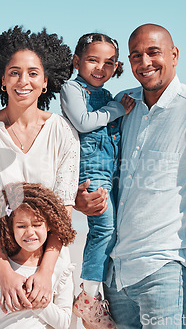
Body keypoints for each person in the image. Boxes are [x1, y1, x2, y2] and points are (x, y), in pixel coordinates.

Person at [75, 24, 186, 328]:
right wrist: (80, 198)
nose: (145, 63)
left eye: (153, 52)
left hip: (164, 272)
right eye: (136, 56)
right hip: (115, 273)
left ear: (174, 55)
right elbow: (98, 162)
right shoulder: (122, 104)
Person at [0, 26, 79, 320]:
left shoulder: (63, 133)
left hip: (50, 260)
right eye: (14, 72)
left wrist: (46, 271)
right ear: (2, 80)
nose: (23, 81)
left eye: (33, 73)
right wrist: (3, 272)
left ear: (45, 81)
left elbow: (64, 210)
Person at [60, 33, 135, 328]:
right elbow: (83, 122)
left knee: (114, 230)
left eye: (109, 62)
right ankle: (88, 296)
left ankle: (99, 292)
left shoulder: (107, 95)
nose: (100, 68)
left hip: (113, 169)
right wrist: (117, 109)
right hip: (90, 171)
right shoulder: (72, 88)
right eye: (93, 60)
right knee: (103, 229)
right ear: (77, 61)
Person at [0, 182, 76, 328]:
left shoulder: (60, 268)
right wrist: (11, 304)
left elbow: (64, 322)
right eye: (21, 226)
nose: (29, 232)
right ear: (10, 228)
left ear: (49, 225)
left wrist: (37, 303)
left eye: (37, 224)